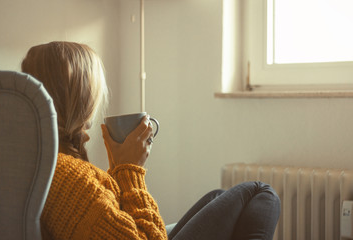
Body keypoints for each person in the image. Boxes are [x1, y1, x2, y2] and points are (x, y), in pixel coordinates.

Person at [21, 41, 280, 240]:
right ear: (80, 96)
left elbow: (110, 223)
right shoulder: (69, 176)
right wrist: (131, 171)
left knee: (218, 196)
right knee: (259, 191)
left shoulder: (40, 163)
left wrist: (118, 171)